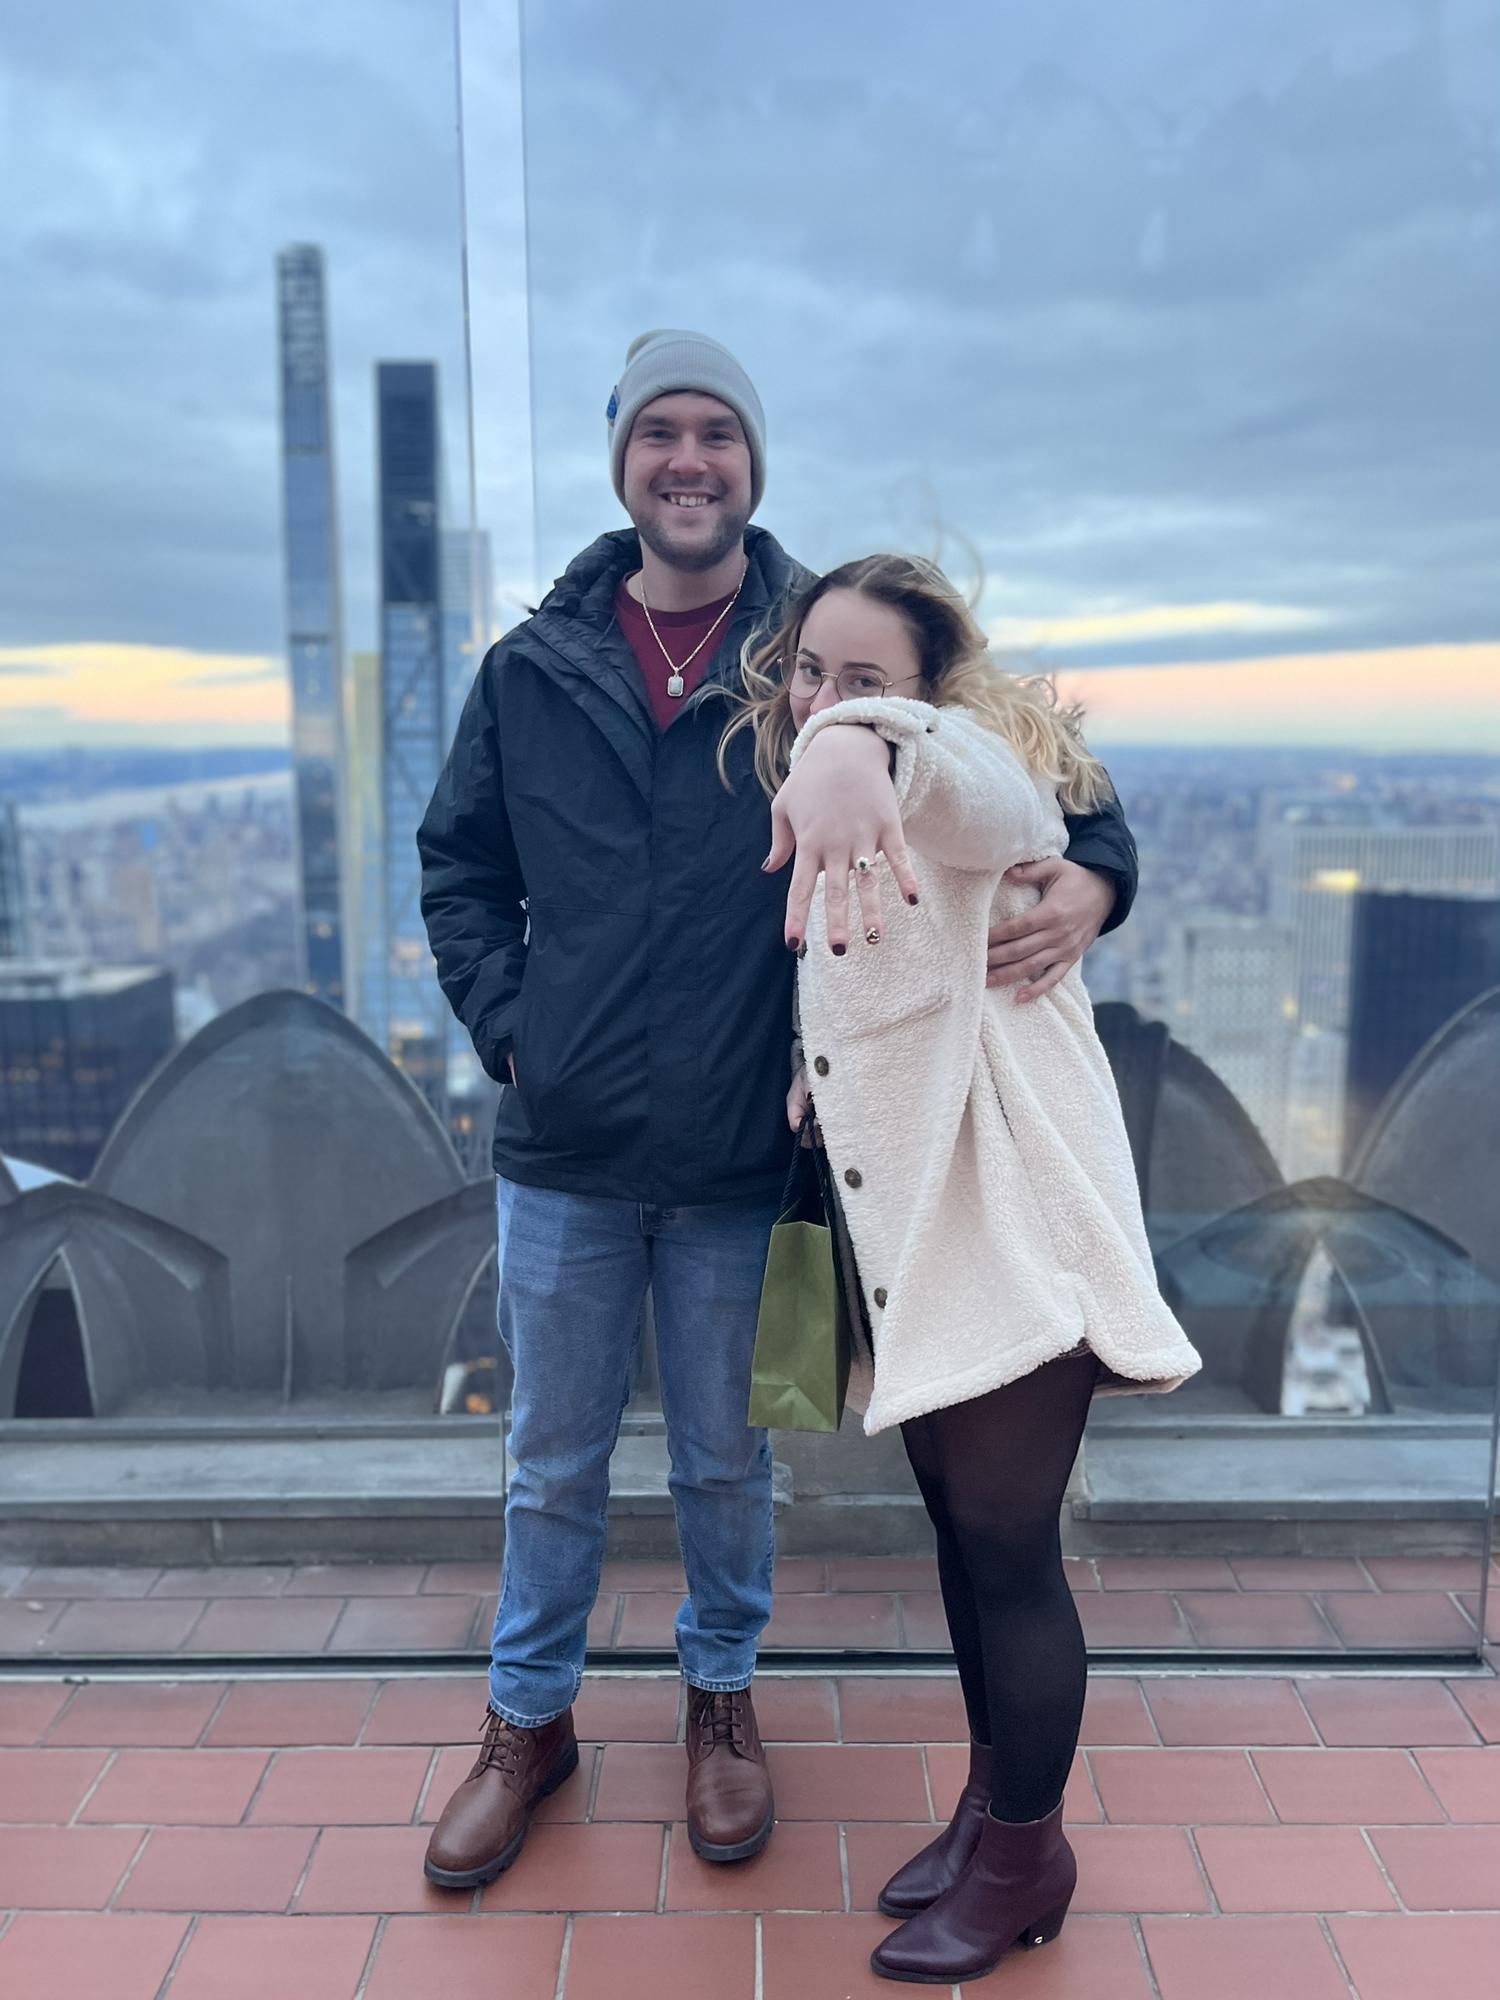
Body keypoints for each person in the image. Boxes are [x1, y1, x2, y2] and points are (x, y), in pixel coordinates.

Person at [415, 331, 1140, 1890]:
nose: (691, 460)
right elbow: (459, 869)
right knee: (549, 1461)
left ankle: (720, 1704)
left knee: (732, 1462)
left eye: (719, 434)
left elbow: (1032, 768)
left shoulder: (821, 648)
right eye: (660, 432)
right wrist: (516, 1032)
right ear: (622, 460)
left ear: (755, 463)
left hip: (758, 1158)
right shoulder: (530, 670)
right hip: (568, 1153)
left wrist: (1099, 873)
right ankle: (524, 1720)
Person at [727, 553, 1202, 1984]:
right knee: (961, 1538)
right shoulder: (830, 785)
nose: (823, 699)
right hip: (919, 1235)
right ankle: (995, 1818)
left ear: (934, 697)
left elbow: (990, 798)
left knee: (1011, 1556)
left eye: (868, 678)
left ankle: (1027, 1856)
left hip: (1015, 1228)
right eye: (812, 671)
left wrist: (862, 740)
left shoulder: (957, 774)